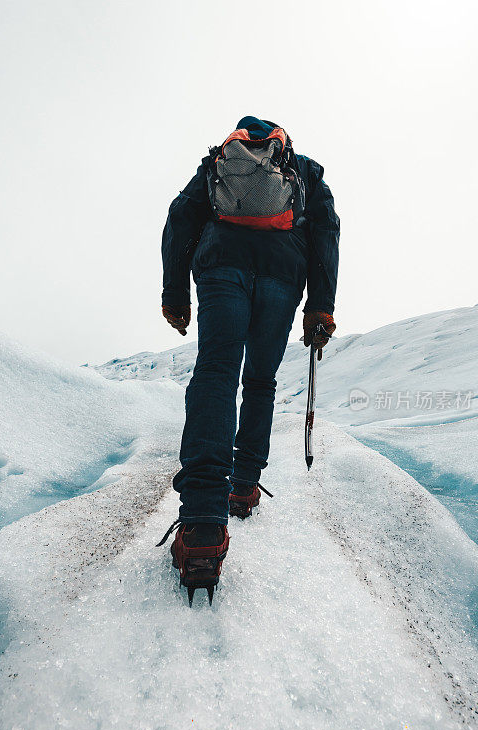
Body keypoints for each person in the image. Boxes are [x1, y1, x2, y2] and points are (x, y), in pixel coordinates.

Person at [157, 116, 339, 604]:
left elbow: (181, 217)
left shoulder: (216, 163)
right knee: (260, 381)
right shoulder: (304, 170)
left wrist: (175, 290)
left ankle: (201, 525)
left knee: (216, 374)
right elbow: (326, 231)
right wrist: (321, 304)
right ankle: (243, 485)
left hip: (222, 267)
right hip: (283, 276)